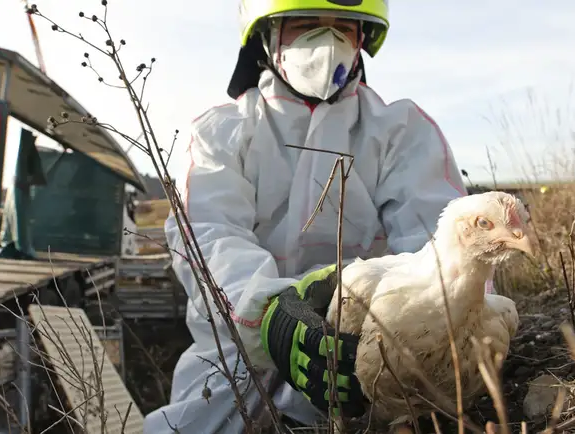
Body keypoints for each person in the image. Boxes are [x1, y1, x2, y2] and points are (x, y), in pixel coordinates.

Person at [143, 1, 468, 432]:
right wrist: (270, 318)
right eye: (306, 24)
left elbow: (444, 247)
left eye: (342, 28)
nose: (327, 42)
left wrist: (398, 332)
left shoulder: (401, 133)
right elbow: (209, 235)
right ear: (268, 35)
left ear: (362, 38)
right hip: (237, 363)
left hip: (367, 354)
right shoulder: (220, 134)